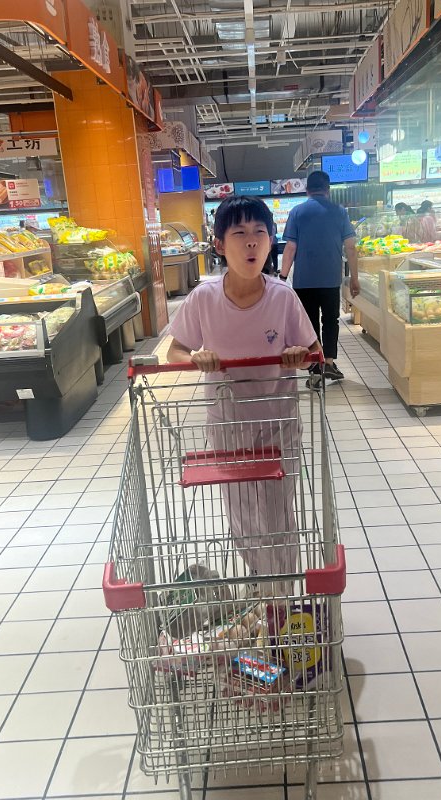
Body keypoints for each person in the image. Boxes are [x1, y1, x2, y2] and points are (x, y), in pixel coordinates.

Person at [167, 196, 320, 579]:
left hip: (278, 426)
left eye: (259, 232)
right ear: (219, 244)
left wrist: (298, 354)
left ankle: (279, 589)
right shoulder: (204, 298)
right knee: (242, 512)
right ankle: (263, 580)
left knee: (276, 512)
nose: (251, 241)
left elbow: (313, 352)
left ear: (270, 241)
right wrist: (195, 358)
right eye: (239, 233)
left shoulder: (283, 297)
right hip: (228, 426)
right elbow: (175, 351)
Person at [280, 170, 359, 388]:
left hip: (304, 281)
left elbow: (290, 247)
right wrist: (354, 278)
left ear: (307, 190)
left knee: (309, 323)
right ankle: (329, 363)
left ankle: (315, 369)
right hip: (331, 279)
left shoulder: (297, 212)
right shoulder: (339, 212)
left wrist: (282, 277)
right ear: (328, 189)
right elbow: (351, 247)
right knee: (331, 321)